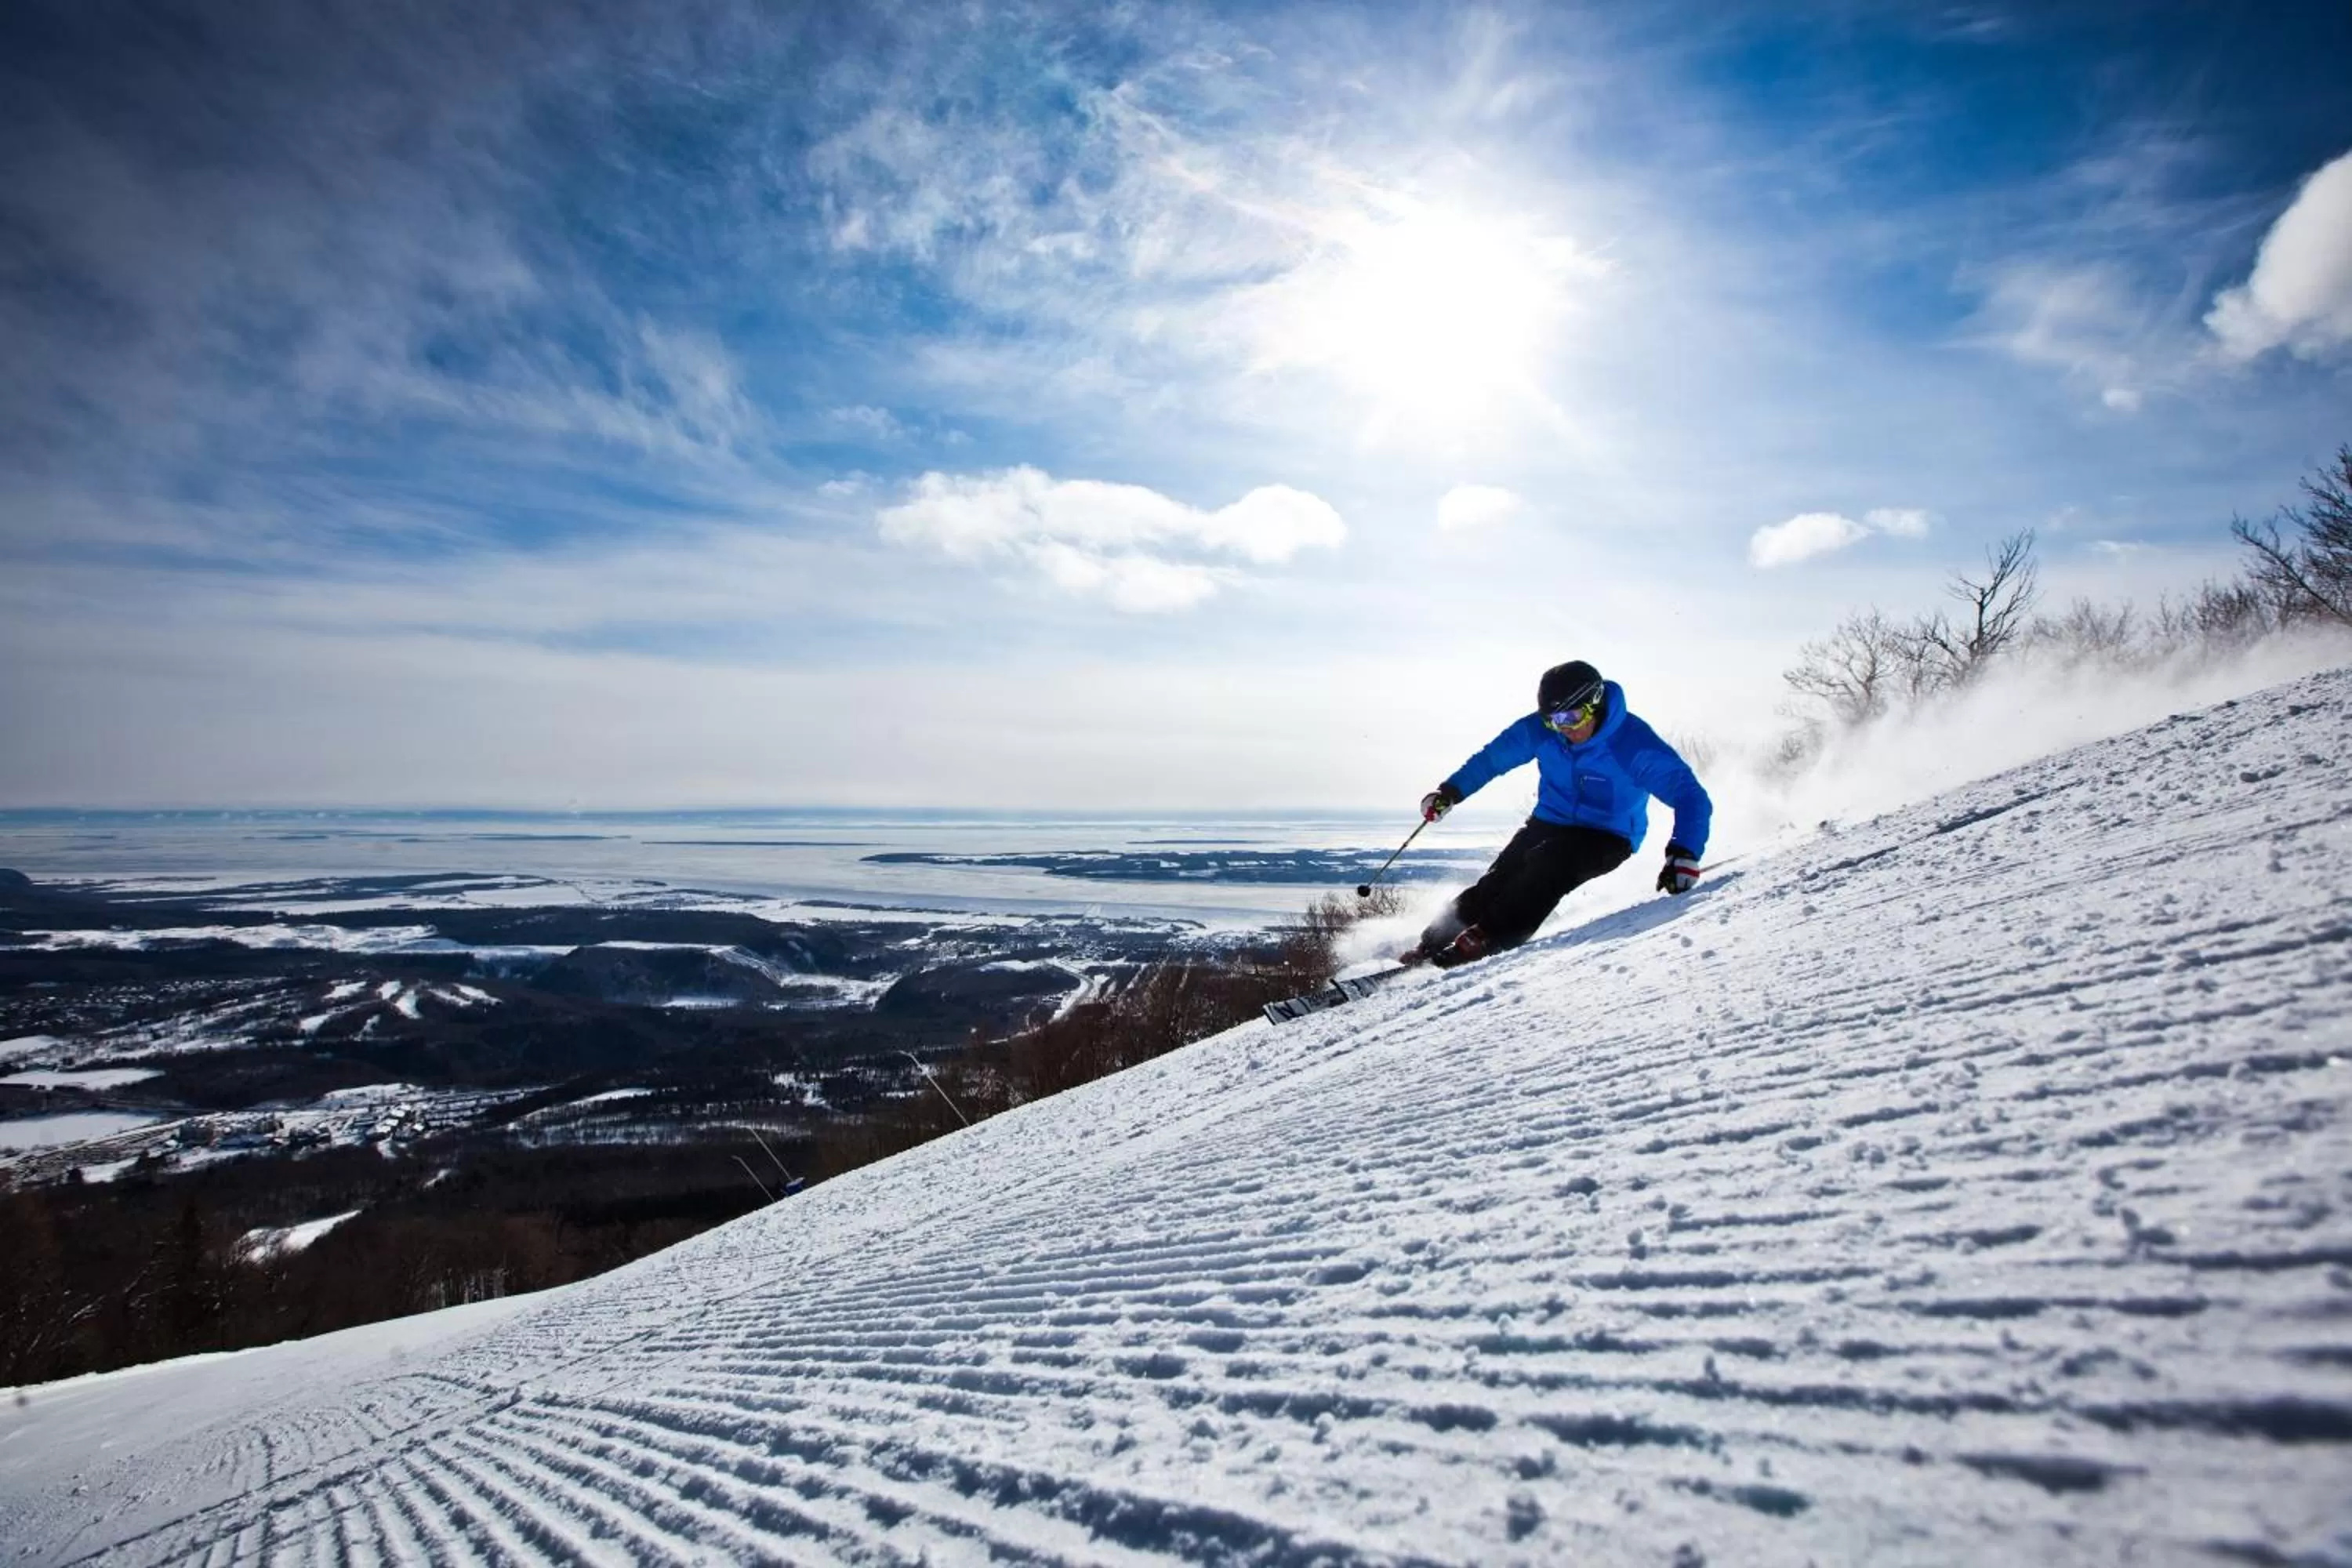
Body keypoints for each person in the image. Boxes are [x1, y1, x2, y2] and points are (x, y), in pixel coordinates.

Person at [1404, 659, 1712, 968]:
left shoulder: (1632, 744)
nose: (1564, 728)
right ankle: (1431, 943)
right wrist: (1450, 793)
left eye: (1572, 717)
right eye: (1554, 720)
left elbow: (1690, 796)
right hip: (1550, 820)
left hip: (1609, 834)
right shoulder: (1542, 730)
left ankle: (1488, 938)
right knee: (1500, 878)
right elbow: (1491, 760)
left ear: (1594, 705)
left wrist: (1683, 852)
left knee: (1549, 866)